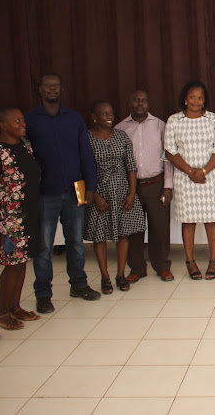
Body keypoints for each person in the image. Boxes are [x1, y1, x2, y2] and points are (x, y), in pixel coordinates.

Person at [25, 74, 100, 314]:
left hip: (74, 189)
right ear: (40, 89)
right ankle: (43, 293)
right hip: (44, 193)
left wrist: (91, 186)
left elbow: (85, 154)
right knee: (44, 246)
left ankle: (78, 285)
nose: (52, 89)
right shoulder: (30, 119)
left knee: (76, 243)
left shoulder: (74, 118)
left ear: (62, 89)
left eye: (56, 85)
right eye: (47, 85)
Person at [0, 108, 42, 330]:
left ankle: (15, 306)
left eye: (23, 120)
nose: (22, 124)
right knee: (11, 264)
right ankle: (2, 311)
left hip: (27, 213)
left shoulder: (24, 145)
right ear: (3, 124)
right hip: (8, 220)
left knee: (22, 261)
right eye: (17, 121)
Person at [165, 81, 215, 281]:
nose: (196, 101)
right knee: (188, 221)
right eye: (192, 97)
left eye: (200, 97)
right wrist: (192, 171)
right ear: (185, 98)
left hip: (210, 178)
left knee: (211, 220)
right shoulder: (174, 120)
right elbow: (170, 150)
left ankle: (214, 261)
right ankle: (190, 262)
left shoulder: (213, 119)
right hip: (185, 179)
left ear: (204, 100)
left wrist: (204, 171)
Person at [85, 101, 146, 293]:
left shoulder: (121, 136)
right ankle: (105, 277)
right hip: (99, 193)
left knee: (123, 233)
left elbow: (131, 166)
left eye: (111, 113)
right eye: (104, 114)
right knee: (100, 236)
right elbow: (83, 169)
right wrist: (95, 195)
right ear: (94, 117)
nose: (109, 117)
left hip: (122, 191)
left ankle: (120, 274)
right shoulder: (86, 139)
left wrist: (132, 193)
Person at [115, 90, 175, 283]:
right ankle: (137, 268)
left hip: (156, 184)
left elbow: (168, 158)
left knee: (160, 229)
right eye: (136, 100)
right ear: (129, 103)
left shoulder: (160, 126)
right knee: (134, 230)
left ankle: (162, 266)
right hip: (131, 188)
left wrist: (168, 185)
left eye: (143, 101)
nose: (140, 104)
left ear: (149, 104)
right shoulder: (120, 128)